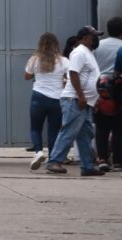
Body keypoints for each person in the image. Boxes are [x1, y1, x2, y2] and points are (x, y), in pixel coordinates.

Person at [46, 26, 105, 176]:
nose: (96, 39)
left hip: (84, 102)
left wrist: (93, 100)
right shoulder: (79, 52)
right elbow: (73, 74)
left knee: (86, 134)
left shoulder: (88, 53)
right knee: (69, 131)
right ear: (85, 38)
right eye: (93, 36)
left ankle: (87, 166)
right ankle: (54, 162)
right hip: (75, 100)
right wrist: (81, 96)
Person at [24, 33, 68, 170]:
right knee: (54, 130)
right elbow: (69, 76)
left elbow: (26, 76)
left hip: (38, 97)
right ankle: (52, 158)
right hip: (56, 98)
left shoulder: (34, 59)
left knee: (35, 128)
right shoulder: (63, 60)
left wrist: (36, 74)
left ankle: (38, 152)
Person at [93, 17, 122, 171]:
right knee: (118, 126)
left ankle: (102, 158)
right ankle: (118, 161)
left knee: (101, 125)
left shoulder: (99, 46)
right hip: (118, 88)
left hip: (101, 88)